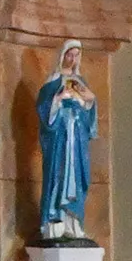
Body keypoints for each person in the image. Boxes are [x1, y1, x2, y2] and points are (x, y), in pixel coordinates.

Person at [36, 39, 99, 240]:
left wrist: (88, 102)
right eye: (69, 55)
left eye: (76, 55)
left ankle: (73, 221)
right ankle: (55, 220)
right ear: (63, 55)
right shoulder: (52, 82)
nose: (72, 59)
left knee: (78, 177)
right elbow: (45, 111)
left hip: (77, 139)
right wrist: (58, 99)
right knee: (58, 176)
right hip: (60, 140)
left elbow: (89, 109)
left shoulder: (80, 82)